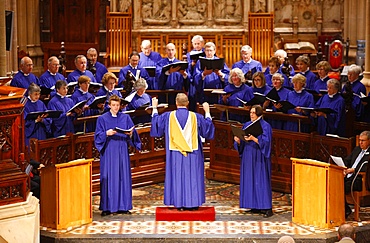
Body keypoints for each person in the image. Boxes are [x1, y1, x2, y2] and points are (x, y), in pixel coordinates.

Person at [150, 93, 215, 210]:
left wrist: (154, 108)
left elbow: (157, 128)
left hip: (175, 153)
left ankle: (179, 203)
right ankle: (193, 203)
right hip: (193, 153)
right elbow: (207, 130)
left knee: (177, 177)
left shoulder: (168, 116)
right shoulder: (196, 117)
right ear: (188, 103)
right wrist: (207, 112)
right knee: (192, 177)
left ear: (176, 103)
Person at [94, 95, 141, 216]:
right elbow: (97, 136)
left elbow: (133, 132)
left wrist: (131, 134)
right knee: (109, 177)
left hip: (122, 149)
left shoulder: (125, 117)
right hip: (109, 150)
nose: (116, 108)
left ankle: (123, 206)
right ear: (109, 105)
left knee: (122, 176)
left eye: (117, 105)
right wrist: (106, 133)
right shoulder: (102, 119)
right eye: (113, 105)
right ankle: (107, 207)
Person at [234, 105, 273, 218]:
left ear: (259, 114)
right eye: (250, 112)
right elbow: (242, 139)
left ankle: (266, 208)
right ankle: (253, 205)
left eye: (253, 113)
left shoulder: (266, 126)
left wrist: (254, 139)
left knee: (261, 180)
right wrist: (238, 141)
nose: (251, 114)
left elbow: (267, 142)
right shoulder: (246, 124)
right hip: (248, 155)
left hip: (259, 156)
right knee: (250, 179)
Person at [343, 131, 370, 219]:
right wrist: (342, 166)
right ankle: (344, 209)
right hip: (348, 175)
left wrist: (354, 170)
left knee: (342, 186)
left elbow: (367, 168)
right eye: (359, 140)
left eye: (363, 141)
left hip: (359, 179)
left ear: (369, 141)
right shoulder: (357, 149)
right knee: (334, 183)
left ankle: (345, 210)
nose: (360, 143)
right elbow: (347, 160)